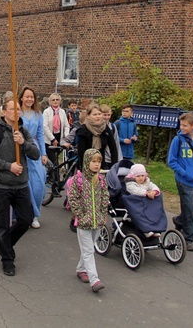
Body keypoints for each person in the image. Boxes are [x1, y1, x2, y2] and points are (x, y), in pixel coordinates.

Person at [0, 99, 39, 276]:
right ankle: (7, 259)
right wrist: (8, 166)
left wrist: (23, 143)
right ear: (4, 112)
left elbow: (35, 154)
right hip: (1, 185)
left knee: (25, 220)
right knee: (2, 225)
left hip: (21, 185)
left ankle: (6, 244)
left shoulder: (24, 132)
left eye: (18, 109)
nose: (16, 112)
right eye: (12, 109)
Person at [67, 148, 109, 293]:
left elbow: (105, 198)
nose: (97, 164)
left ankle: (80, 269)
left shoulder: (102, 180)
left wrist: (103, 214)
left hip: (97, 222)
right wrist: (81, 215)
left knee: (89, 248)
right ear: (86, 162)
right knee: (89, 250)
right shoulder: (79, 180)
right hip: (84, 223)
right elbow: (72, 198)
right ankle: (94, 280)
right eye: (93, 161)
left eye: (99, 161)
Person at [168, 112, 193, 252]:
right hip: (184, 180)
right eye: (181, 125)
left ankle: (180, 220)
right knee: (188, 207)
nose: (182, 127)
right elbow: (171, 161)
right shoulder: (178, 140)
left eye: (185, 125)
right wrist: (184, 173)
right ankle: (188, 238)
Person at [18, 86, 47, 229]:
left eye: (32, 97)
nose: (29, 99)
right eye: (27, 96)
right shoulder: (17, 113)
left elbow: (41, 135)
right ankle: (23, 213)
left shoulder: (38, 115)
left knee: (38, 183)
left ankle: (35, 214)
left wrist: (44, 153)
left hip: (34, 149)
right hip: (19, 148)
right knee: (23, 183)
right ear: (22, 98)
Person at [76, 103, 119, 171]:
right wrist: (84, 169)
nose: (98, 116)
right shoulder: (83, 130)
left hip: (101, 164)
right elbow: (81, 152)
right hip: (86, 165)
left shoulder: (105, 128)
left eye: (99, 114)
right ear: (88, 115)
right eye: (95, 114)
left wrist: (114, 167)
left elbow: (113, 148)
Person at [42, 92, 70, 166]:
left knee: (56, 160)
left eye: (57, 99)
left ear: (60, 101)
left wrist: (66, 137)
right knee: (53, 161)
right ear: (50, 101)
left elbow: (66, 125)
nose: (55, 101)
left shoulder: (62, 112)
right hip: (49, 140)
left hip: (59, 138)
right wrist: (52, 139)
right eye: (53, 100)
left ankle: (55, 175)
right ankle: (53, 176)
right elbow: (45, 126)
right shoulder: (46, 112)